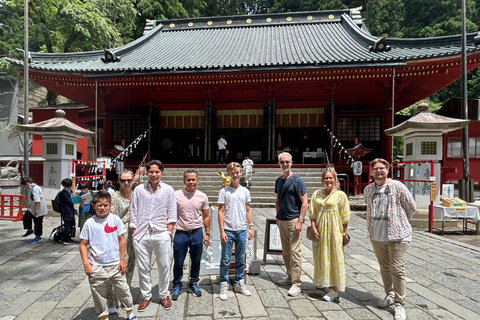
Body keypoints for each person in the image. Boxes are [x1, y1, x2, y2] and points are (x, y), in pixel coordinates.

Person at [364, 158, 416, 320]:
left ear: (387, 170)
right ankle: (389, 294)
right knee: (384, 267)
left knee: (397, 269)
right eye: (376, 169)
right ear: (372, 172)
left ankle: (399, 304)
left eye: (382, 168)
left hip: (398, 235)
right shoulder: (368, 189)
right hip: (377, 235)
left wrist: (400, 222)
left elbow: (411, 206)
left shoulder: (397, 186)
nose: (379, 171)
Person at [79, 191, 138, 320]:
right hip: (97, 265)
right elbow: (83, 244)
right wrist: (86, 264)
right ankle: (103, 316)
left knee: (123, 289)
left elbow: (121, 240)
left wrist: (122, 260)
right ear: (93, 205)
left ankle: (129, 312)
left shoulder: (115, 219)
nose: (102, 208)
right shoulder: (89, 223)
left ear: (110, 205)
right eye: (99, 205)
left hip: (115, 263)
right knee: (98, 293)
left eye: (105, 205)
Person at [129, 160, 177, 311]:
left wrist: (169, 232)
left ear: (162, 172)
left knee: (164, 265)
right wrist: (134, 230)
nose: (154, 174)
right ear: (147, 172)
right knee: (143, 267)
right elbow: (133, 210)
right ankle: (146, 295)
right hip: (142, 232)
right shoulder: (139, 190)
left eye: (157, 172)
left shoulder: (168, 190)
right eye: (151, 172)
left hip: (161, 231)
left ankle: (164, 294)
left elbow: (172, 211)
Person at [309, 168, 350, 302]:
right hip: (320, 230)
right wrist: (314, 227)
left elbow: (345, 217)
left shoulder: (341, 195)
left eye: (330, 178)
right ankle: (324, 280)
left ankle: (334, 290)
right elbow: (312, 212)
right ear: (322, 180)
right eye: (326, 178)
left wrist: (345, 233)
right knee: (321, 256)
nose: (328, 180)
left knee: (334, 257)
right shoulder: (316, 194)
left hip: (335, 231)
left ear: (335, 179)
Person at [171, 169, 211, 300]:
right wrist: (169, 232)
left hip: (196, 232)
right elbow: (170, 214)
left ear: (197, 181)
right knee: (178, 261)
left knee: (196, 260)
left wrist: (207, 233)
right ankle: (177, 283)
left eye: (193, 180)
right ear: (184, 181)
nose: (191, 182)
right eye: (188, 180)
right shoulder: (176, 195)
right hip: (181, 233)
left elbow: (206, 215)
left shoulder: (202, 196)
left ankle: (193, 282)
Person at [218, 162, 254, 301]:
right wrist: (221, 230)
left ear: (240, 173)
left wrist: (251, 226)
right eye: (232, 172)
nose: (235, 175)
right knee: (225, 259)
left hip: (241, 229)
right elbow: (220, 211)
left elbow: (248, 209)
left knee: (240, 258)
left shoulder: (245, 191)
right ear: (228, 174)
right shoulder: (224, 191)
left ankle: (240, 282)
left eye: (237, 172)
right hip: (228, 229)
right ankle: (224, 284)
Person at [275, 152, 308, 297]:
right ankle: (289, 276)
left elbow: (305, 203)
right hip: (282, 219)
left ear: (292, 162)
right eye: (282, 162)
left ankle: (296, 282)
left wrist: (300, 221)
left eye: (287, 162)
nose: (285, 164)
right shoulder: (278, 181)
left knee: (295, 252)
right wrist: (277, 216)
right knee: (286, 250)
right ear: (279, 164)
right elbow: (277, 200)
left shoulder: (297, 181)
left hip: (294, 219)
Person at [106, 169, 136, 315]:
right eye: (123, 180)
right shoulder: (113, 197)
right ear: (119, 181)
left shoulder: (136, 196)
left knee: (130, 266)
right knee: (116, 268)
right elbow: (111, 219)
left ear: (133, 181)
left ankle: (125, 297)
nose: (126, 183)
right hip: (118, 236)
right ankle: (112, 300)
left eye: (128, 181)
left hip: (134, 236)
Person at [21, 177, 48, 244]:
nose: (25, 187)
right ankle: (29, 229)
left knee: (37, 222)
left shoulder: (35, 189)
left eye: (24, 186)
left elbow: (37, 200)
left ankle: (38, 236)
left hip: (39, 208)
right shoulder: (33, 188)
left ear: (27, 184)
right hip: (32, 208)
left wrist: (36, 209)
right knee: (26, 217)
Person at [60, 178, 77, 245]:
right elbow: (70, 201)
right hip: (66, 211)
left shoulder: (69, 191)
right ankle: (66, 238)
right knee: (67, 224)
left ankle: (69, 237)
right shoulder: (64, 193)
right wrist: (74, 197)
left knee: (70, 224)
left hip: (70, 210)